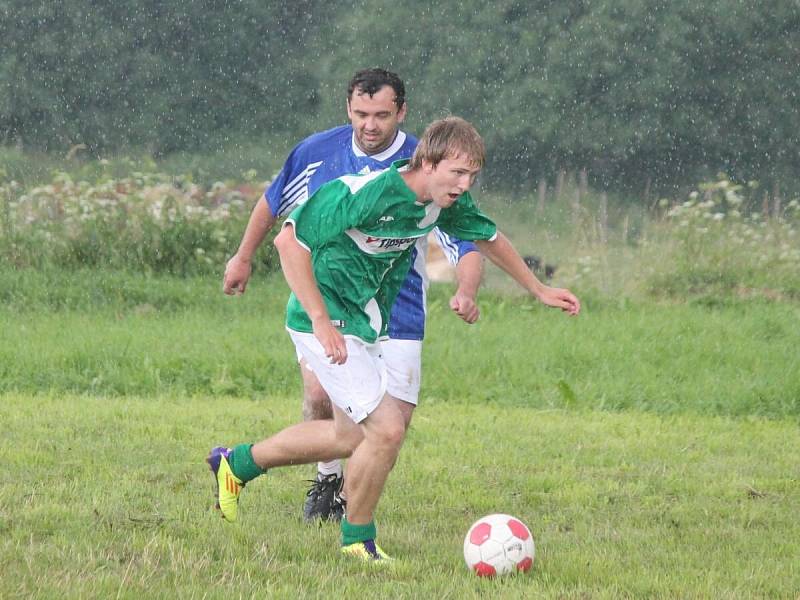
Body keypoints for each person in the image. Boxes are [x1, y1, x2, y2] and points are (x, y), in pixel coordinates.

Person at [208, 116, 581, 563]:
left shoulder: (443, 203)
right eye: (458, 173)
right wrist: (322, 321)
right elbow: (290, 244)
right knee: (386, 429)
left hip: (362, 321)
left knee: (349, 437)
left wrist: (538, 289)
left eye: (472, 176)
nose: (465, 184)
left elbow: (490, 238)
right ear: (427, 162)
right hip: (319, 320)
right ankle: (357, 540)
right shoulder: (366, 192)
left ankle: (238, 464)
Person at [222, 68, 483, 522]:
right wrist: (243, 256)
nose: (370, 124)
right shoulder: (317, 151)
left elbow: (468, 238)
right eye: (361, 114)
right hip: (329, 301)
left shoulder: (433, 161)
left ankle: (329, 493)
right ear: (348, 109)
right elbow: (276, 202)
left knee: (387, 429)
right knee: (323, 396)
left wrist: (467, 287)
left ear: (401, 112)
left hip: (397, 311)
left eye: (382, 115)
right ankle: (330, 488)